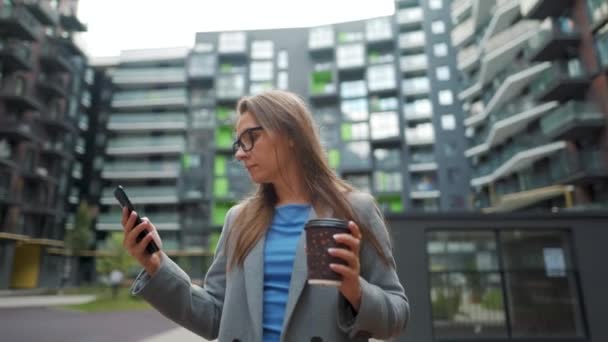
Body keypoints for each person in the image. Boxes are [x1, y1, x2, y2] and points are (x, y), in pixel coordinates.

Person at [122, 90, 409, 341]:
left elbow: (397, 316)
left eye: (251, 137)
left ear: (291, 135)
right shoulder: (239, 219)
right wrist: (157, 265)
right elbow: (213, 316)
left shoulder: (355, 210)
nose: (240, 154)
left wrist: (356, 291)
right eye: (238, 143)